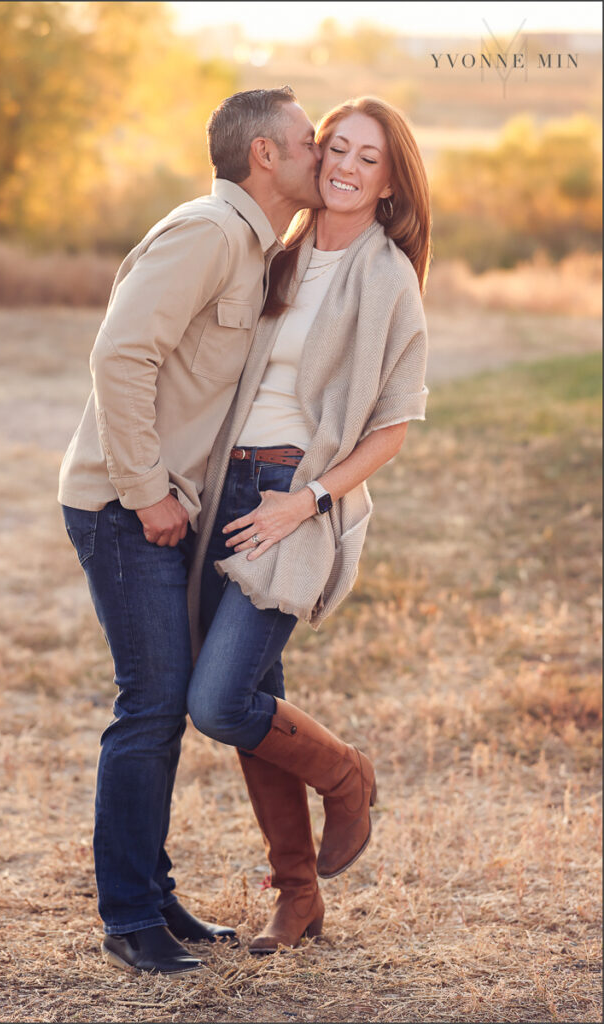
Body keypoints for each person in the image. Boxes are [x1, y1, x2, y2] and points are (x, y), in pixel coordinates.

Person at [58, 86, 323, 974]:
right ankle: (129, 918)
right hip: (122, 506)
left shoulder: (253, 248)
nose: (319, 154)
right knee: (151, 706)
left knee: (164, 708)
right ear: (265, 157)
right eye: (307, 141)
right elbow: (119, 356)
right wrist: (146, 493)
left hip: (169, 509)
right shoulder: (207, 235)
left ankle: (153, 897)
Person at [186, 96, 431, 954]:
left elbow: (393, 426)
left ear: (391, 182)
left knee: (219, 704)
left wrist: (307, 500)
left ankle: (345, 774)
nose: (346, 166)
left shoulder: (386, 276)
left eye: (369, 158)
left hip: (294, 497)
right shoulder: (279, 255)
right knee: (255, 698)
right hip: (229, 491)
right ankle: (297, 898)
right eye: (336, 148)